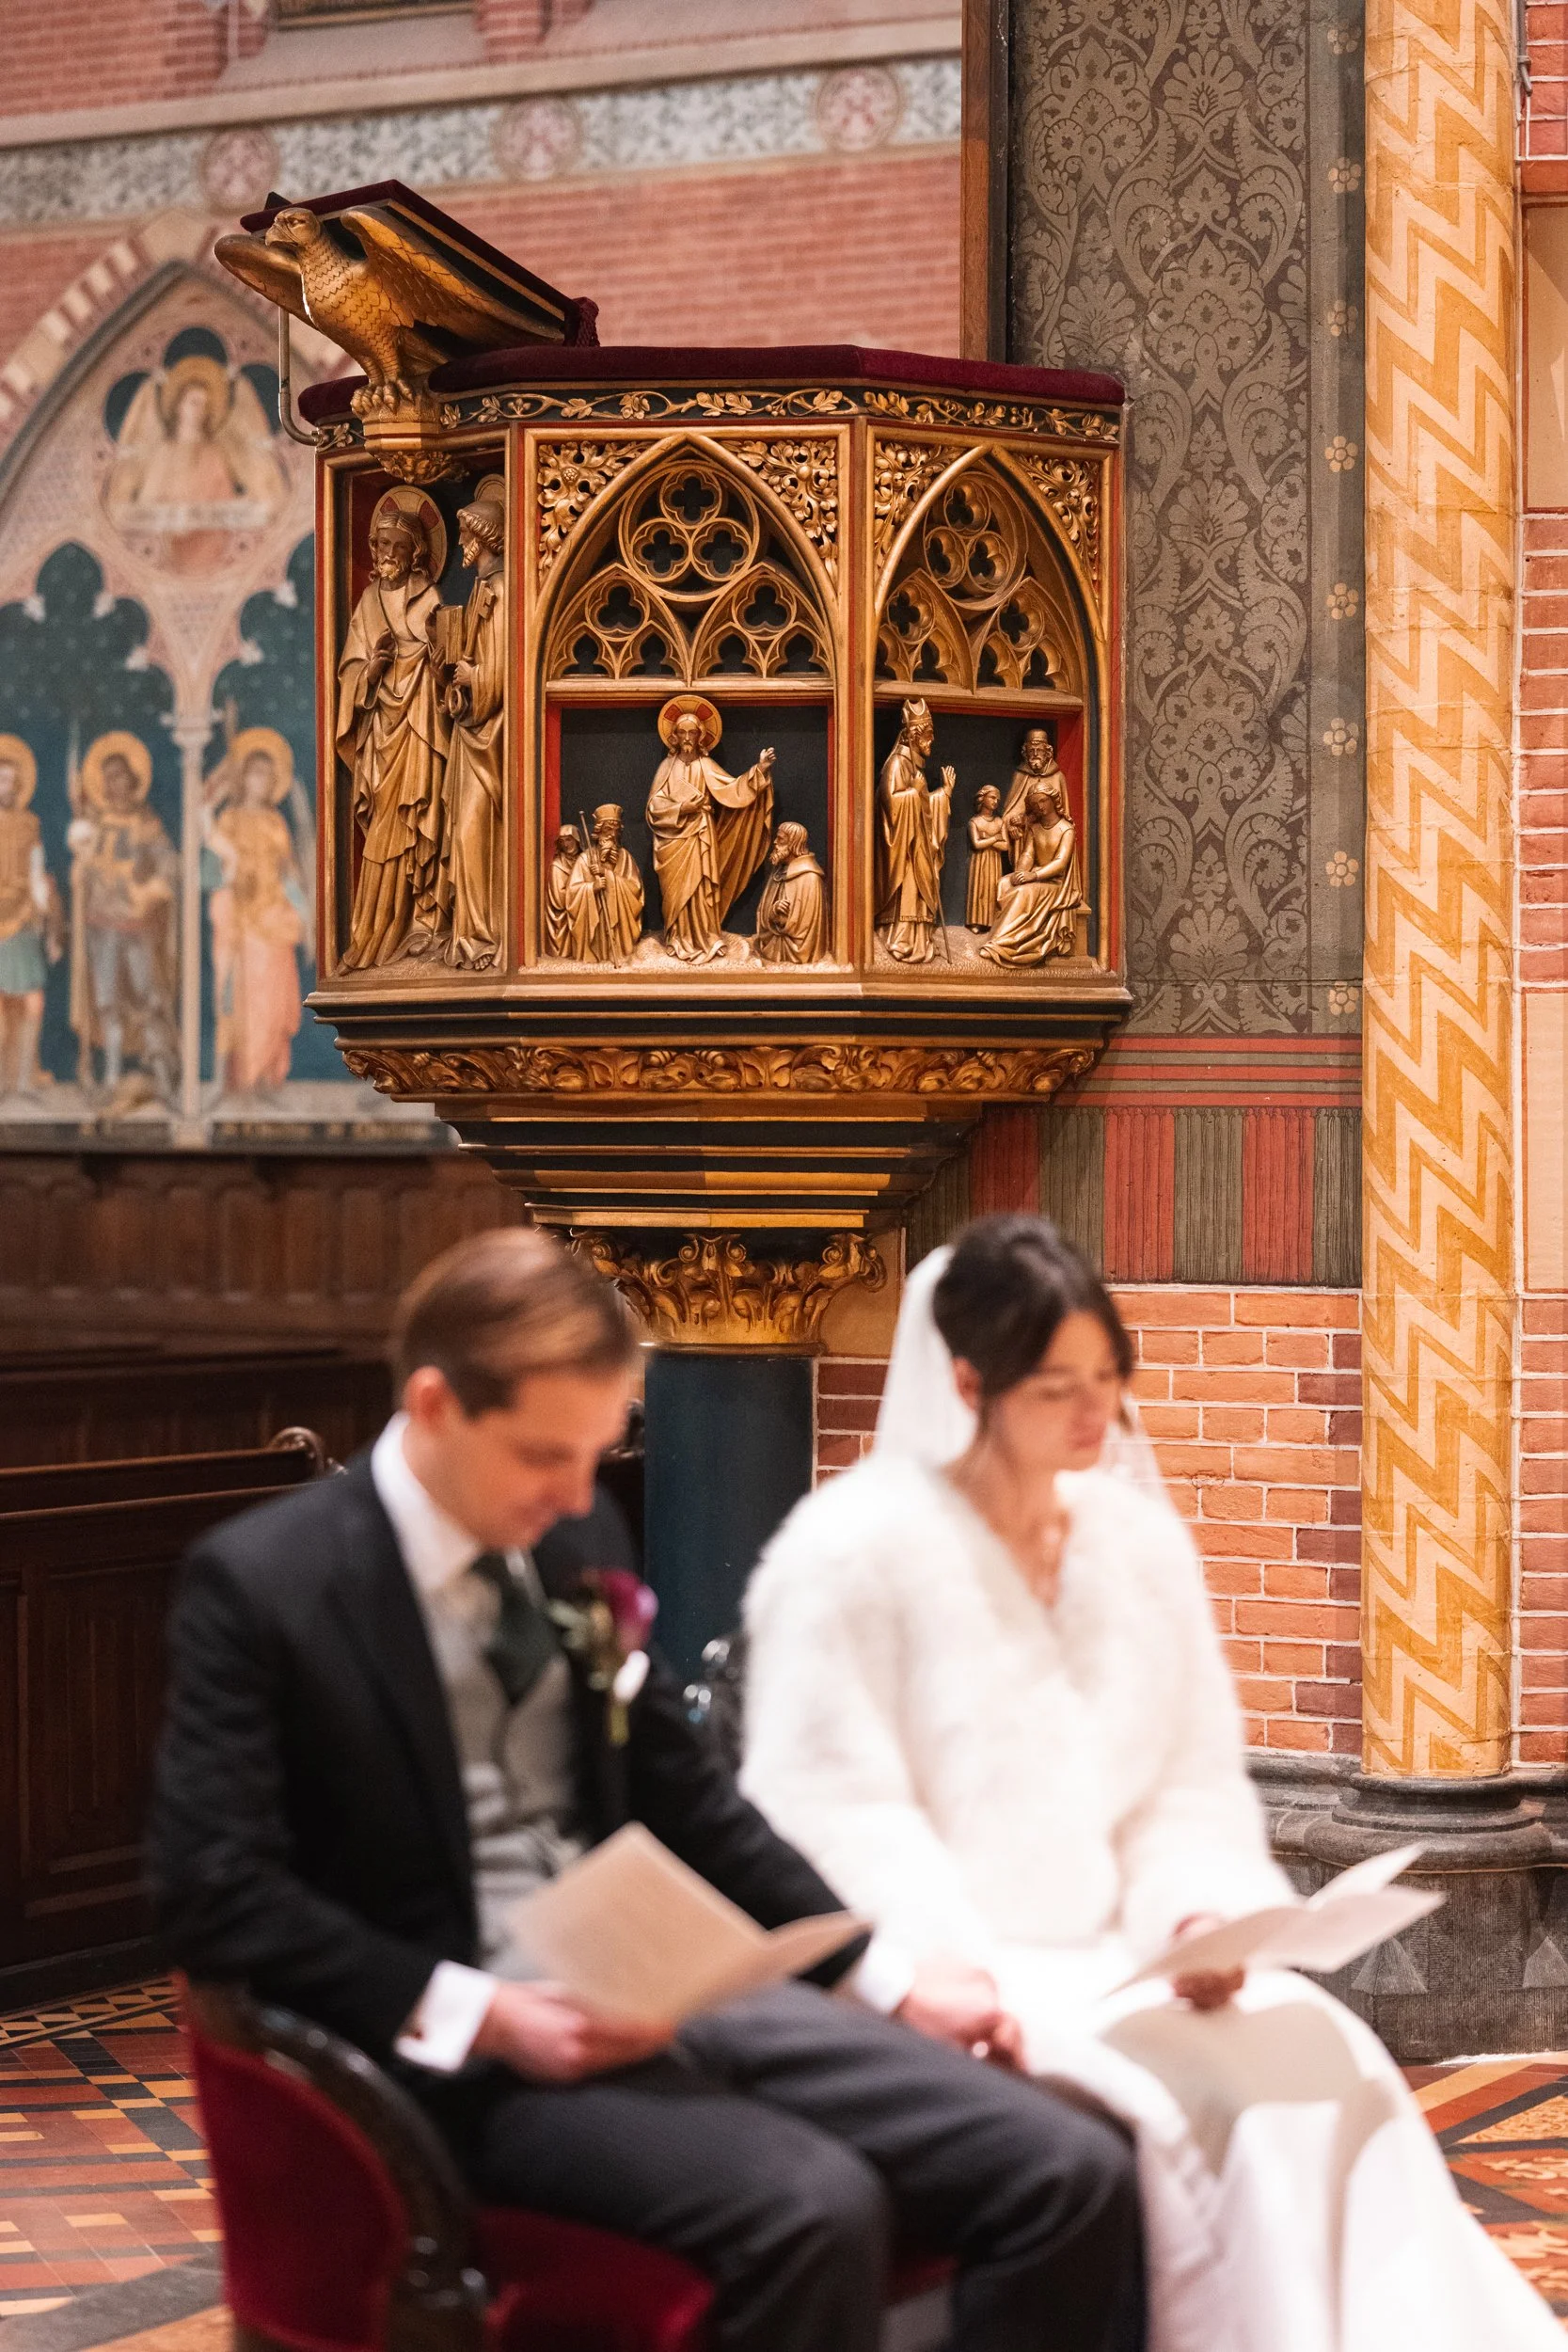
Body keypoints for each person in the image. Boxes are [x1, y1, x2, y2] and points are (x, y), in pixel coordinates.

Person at [150, 1228, 1147, 2352]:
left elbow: (686, 1795)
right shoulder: (267, 1584)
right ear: (433, 1405)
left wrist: (883, 1977)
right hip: (470, 2049)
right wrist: (485, 2013)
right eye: (543, 1455)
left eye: (596, 1451)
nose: (577, 1493)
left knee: (1069, 2167)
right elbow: (212, 1889)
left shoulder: (570, 1531)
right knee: (812, 2208)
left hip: (670, 1987)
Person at [742, 1216, 1565, 2352]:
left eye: (1105, 1379)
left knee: (1322, 2054)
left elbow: (1182, 1785)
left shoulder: (1128, 1544)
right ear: (969, 1384)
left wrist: (1199, 1909)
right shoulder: (848, 1553)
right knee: (1193, 2109)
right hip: (960, 1960)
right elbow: (831, 1812)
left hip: (1128, 1949)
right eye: (1054, 1387)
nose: (1092, 1415)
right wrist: (931, 1966)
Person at [337, 490, 448, 970]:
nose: (386, 556)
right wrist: (374, 669)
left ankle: (410, 926)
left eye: (396, 548)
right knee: (383, 824)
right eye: (380, 546)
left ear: (416, 553)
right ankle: (369, 938)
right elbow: (352, 670)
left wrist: (429, 662)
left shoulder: (430, 598)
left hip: (420, 725)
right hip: (380, 729)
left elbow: (444, 653)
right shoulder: (366, 601)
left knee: (414, 821)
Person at [203, 734, 308, 1096]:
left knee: (275, 1003)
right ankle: (245, 1079)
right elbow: (213, 867)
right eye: (253, 773)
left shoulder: (277, 822)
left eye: (267, 775)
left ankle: (268, 1078)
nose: (259, 782)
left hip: (275, 919)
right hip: (241, 923)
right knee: (246, 1003)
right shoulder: (229, 819)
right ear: (243, 778)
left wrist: (305, 916)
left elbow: (289, 873)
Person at [646, 700, 773, 962]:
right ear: (674, 736)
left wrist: (758, 771)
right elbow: (653, 807)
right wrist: (682, 808)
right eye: (682, 733)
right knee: (676, 894)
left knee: (701, 887)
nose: (687, 738)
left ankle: (705, 936)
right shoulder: (666, 768)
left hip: (700, 837)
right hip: (673, 842)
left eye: (693, 733)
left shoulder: (706, 765)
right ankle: (678, 937)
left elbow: (732, 789)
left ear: (701, 736)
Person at [981, 776, 1082, 966]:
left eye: (1043, 800)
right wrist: (1020, 872)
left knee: (1022, 892)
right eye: (1036, 804)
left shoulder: (1065, 829)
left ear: (1054, 800)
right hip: (1036, 877)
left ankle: (1001, 943)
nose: (1040, 806)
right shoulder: (1035, 828)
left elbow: (1060, 863)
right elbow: (1028, 854)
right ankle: (1002, 934)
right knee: (1004, 883)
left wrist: (1032, 876)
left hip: (1056, 884)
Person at [752, 820, 826, 965]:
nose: (774, 842)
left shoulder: (810, 878)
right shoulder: (779, 870)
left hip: (795, 950)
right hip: (772, 943)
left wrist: (783, 919)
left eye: (780, 839)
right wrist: (773, 911)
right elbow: (763, 910)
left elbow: (806, 927)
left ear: (793, 844)